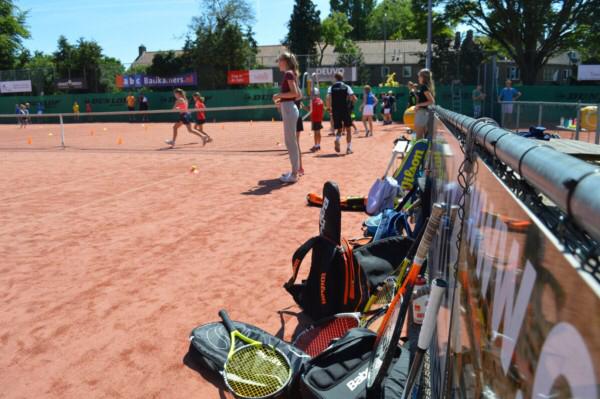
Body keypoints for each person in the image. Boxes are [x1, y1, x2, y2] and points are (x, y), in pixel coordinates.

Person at [272, 52, 302, 183]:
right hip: (289, 108)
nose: (278, 62)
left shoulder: (289, 73)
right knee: (291, 142)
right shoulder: (291, 73)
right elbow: (299, 95)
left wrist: (278, 96)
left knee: (290, 142)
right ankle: (294, 171)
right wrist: (283, 101)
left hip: (289, 109)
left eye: (279, 60)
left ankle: (294, 174)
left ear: (285, 61)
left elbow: (295, 93)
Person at [326, 72, 357, 155]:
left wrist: (329, 108)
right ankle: (348, 148)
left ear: (335, 78)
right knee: (348, 129)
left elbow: (328, 98)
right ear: (342, 78)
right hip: (345, 110)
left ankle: (337, 139)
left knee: (339, 129)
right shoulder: (347, 87)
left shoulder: (331, 87)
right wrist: (351, 104)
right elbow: (354, 98)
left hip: (336, 110)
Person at [413, 68, 436, 140]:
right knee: (422, 137)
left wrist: (418, 105)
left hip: (422, 113)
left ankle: (420, 151)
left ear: (423, 77)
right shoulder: (425, 87)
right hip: (422, 113)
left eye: (419, 76)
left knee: (419, 138)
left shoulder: (424, 87)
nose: (418, 78)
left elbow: (431, 101)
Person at [295, 99, 305, 175]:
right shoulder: (298, 92)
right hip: (297, 118)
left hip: (294, 118)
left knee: (295, 144)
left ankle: (297, 169)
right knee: (296, 143)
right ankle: (300, 168)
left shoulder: (290, 92)